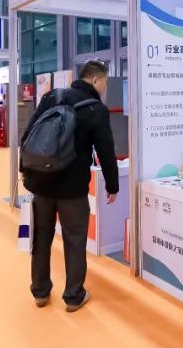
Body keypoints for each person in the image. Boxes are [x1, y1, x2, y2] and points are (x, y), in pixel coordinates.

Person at [22, 60, 118, 312]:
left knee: (41, 238)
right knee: (74, 240)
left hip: (41, 184)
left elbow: (28, 135)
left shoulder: (52, 97)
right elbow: (106, 151)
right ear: (95, 80)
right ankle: (74, 296)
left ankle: (40, 291)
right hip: (72, 189)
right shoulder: (96, 109)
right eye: (105, 82)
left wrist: (27, 171)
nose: (105, 87)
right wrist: (112, 184)